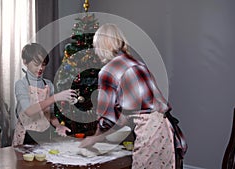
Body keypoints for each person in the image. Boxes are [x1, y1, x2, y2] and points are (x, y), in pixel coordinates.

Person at [79, 24, 187, 169]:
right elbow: (123, 116)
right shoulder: (136, 63)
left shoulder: (108, 71)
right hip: (165, 127)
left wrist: (94, 138)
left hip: (150, 131)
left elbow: (107, 117)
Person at [12, 43, 77, 146]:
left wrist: (58, 126)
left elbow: (50, 114)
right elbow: (28, 111)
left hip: (45, 134)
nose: (41, 68)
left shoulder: (48, 85)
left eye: (43, 64)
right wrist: (54, 98)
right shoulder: (21, 84)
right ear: (25, 62)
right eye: (36, 64)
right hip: (26, 135)